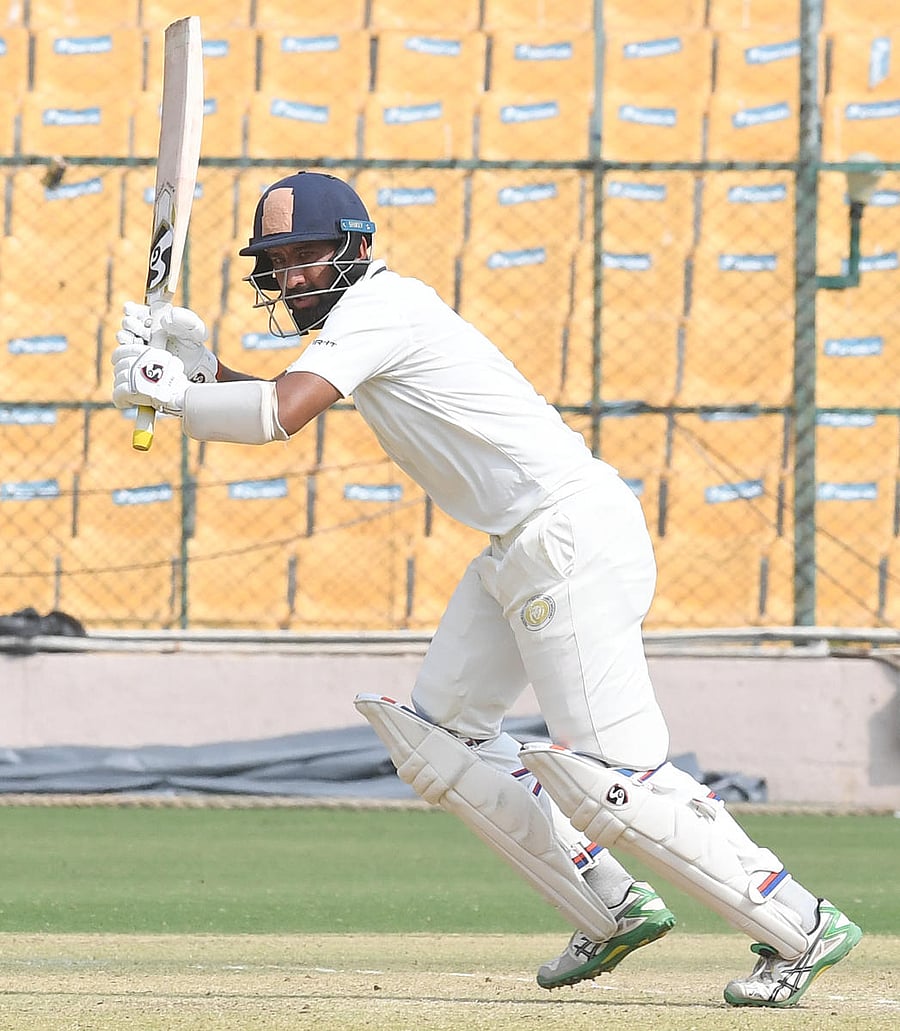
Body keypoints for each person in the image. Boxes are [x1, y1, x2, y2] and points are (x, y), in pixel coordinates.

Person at [111, 170, 861, 1005]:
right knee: (443, 739)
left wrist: (173, 396)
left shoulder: (383, 307)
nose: (290, 276)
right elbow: (271, 397)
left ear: (356, 249)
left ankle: (799, 920)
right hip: (520, 541)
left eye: (306, 255)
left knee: (620, 775)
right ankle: (610, 906)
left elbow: (281, 414)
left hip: (568, 534)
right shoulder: (359, 323)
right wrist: (195, 367)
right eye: (277, 261)